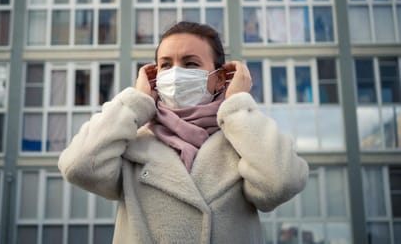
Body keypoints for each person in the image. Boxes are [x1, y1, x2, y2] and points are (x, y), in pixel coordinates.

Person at [58, 21, 309, 243]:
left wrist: (238, 106)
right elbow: (77, 166)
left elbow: (282, 182)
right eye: (165, 65)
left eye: (190, 63)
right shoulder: (132, 144)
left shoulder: (242, 141)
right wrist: (136, 102)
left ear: (220, 79)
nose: (176, 74)